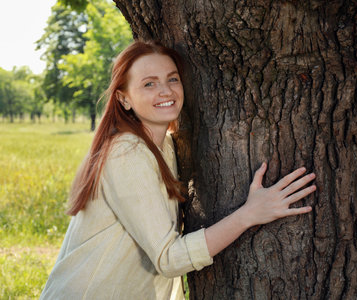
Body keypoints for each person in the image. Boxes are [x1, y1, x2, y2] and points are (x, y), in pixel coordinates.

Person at [40, 41, 316, 300]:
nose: (165, 91)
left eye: (172, 79)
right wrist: (249, 214)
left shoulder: (165, 147)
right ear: (124, 99)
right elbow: (169, 258)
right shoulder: (127, 152)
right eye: (149, 84)